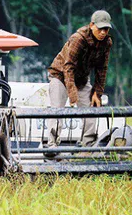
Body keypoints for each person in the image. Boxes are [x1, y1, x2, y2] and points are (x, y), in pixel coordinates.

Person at [46, 10, 113, 153]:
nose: (103, 32)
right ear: (91, 25)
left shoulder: (106, 43)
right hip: (60, 76)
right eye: (100, 28)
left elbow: (102, 69)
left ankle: (87, 145)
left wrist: (97, 93)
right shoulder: (78, 38)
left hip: (82, 79)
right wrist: (72, 94)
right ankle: (52, 145)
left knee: (92, 108)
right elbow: (68, 66)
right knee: (57, 109)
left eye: (106, 29)